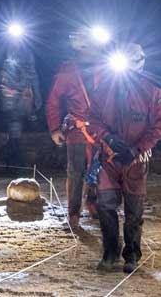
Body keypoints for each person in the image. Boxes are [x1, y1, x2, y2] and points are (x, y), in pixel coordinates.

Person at [88, 43, 161, 273]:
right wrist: (109, 138)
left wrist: (138, 148)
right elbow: (92, 118)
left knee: (134, 210)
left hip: (136, 161)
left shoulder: (153, 93)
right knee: (105, 205)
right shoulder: (104, 90)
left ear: (140, 64)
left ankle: (132, 254)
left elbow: (159, 126)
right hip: (110, 158)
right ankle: (110, 252)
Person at [45, 27, 107, 229]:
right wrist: (55, 128)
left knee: (100, 169)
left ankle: (94, 204)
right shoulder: (68, 70)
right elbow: (54, 100)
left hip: (102, 129)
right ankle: (73, 213)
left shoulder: (106, 67)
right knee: (76, 171)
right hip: (77, 130)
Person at [0, 27, 42, 171]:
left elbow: (33, 74)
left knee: (22, 126)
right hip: (8, 93)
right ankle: (14, 164)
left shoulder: (27, 53)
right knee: (14, 125)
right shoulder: (3, 51)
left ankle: (13, 160)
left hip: (25, 95)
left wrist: (37, 93)